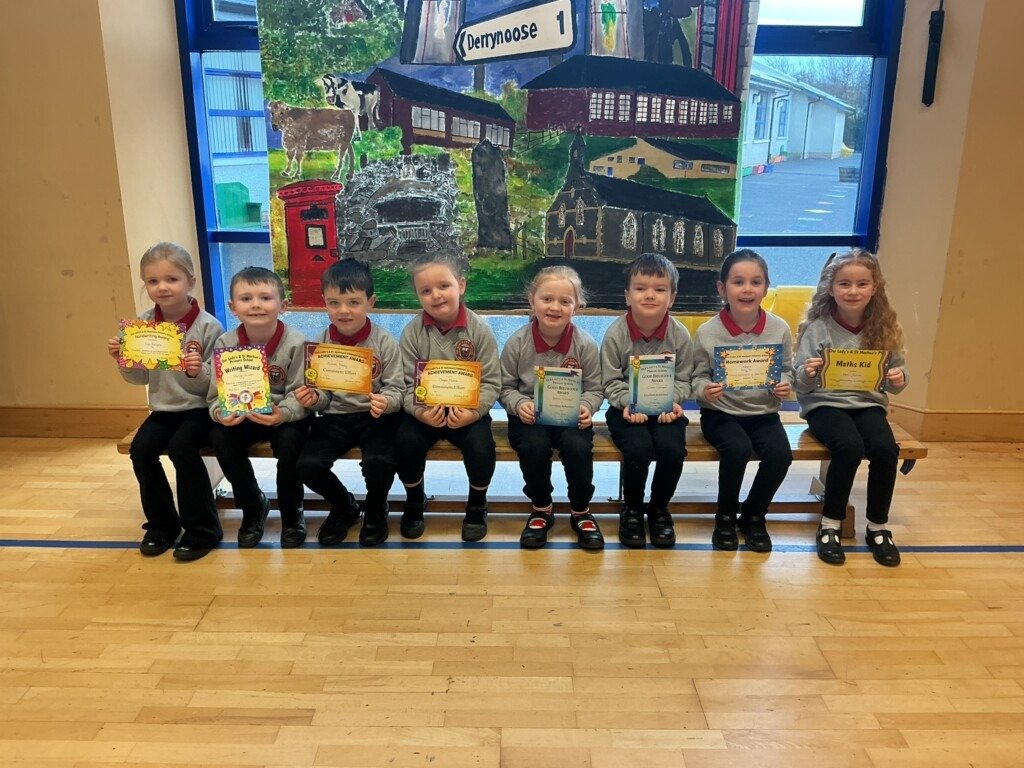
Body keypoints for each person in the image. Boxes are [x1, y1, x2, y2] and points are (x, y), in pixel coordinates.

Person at [108, 242, 224, 561]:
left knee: (182, 449)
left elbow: (217, 386)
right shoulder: (143, 324)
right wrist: (122, 360)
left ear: (190, 282)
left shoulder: (209, 326)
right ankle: (162, 526)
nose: (162, 287)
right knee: (141, 450)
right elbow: (139, 379)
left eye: (172, 279)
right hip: (163, 410)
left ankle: (203, 530)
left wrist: (196, 371)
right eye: (153, 281)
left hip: (200, 410)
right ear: (145, 285)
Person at [795, 249, 909, 567]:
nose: (853, 291)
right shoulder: (818, 328)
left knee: (885, 449)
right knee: (848, 446)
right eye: (844, 284)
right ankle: (830, 524)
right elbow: (800, 383)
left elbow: (896, 376)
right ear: (831, 288)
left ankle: (878, 527)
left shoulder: (884, 328)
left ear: (874, 288)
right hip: (825, 404)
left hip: (867, 404)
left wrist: (898, 377)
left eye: (862, 284)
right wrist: (808, 373)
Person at [691, 250, 794, 553]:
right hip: (720, 413)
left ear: (766, 288)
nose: (747, 289)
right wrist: (704, 389)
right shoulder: (708, 332)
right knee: (737, 449)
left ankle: (753, 514)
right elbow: (697, 376)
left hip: (764, 413)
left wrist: (785, 384)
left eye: (755, 282)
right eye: (738, 282)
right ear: (722, 288)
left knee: (780, 454)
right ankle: (724, 516)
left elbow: (788, 370)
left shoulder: (780, 329)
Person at [295, 259, 402, 547]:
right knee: (307, 464)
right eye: (334, 303)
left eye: (353, 302)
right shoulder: (319, 344)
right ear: (325, 303)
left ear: (370, 302)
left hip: (375, 416)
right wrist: (314, 398)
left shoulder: (384, 342)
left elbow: (397, 388)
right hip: (334, 417)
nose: (344, 311)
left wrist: (387, 401)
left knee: (380, 461)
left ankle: (376, 508)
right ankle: (344, 505)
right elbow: (320, 393)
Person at [396, 252, 499, 542]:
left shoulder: (479, 330)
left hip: (467, 413)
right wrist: (419, 412)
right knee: (405, 441)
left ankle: (477, 505)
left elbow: (492, 382)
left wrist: (473, 413)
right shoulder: (412, 333)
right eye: (426, 291)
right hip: (424, 412)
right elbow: (404, 384)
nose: (436, 295)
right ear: (418, 296)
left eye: (444, 286)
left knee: (481, 446)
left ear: (461, 286)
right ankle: (414, 501)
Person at [500, 267, 605, 550]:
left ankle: (581, 510)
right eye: (547, 299)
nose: (555, 307)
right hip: (529, 419)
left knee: (577, 448)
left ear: (576, 307)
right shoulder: (517, 343)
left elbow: (595, 389)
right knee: (533, 447)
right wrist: (519, 404)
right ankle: (541, 508)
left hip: (570, 418)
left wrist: (586, 407)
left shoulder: (585, 345)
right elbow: (504, 387)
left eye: (564, 301)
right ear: (532, 301)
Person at [207, 267, 310, 548]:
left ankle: (292, 513)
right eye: (246, 298)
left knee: (290, 443)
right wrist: (221, 413)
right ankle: (253, 506)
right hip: (243, 415)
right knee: (219, 437)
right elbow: (214, 395)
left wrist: (282, 414)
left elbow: (300, 393)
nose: (255, 305)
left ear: (283, 305)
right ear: (233, 307)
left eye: (265, 297)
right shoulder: (225, 343)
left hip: (284, 416)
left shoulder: (297, 343)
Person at [600, 253, 693, 548]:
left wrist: (672, 401)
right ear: (628, 296)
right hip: (625, 410)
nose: (650, 295)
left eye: (660, 289)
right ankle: (632, 509)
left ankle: (659, 509)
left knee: (672, 450)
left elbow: (684, 380)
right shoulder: (615, 334)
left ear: (672, 297)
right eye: (640, 288)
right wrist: (628, 403)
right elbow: (609, 381)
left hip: (666, 410)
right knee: (638, 448)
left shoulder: (680, 335)